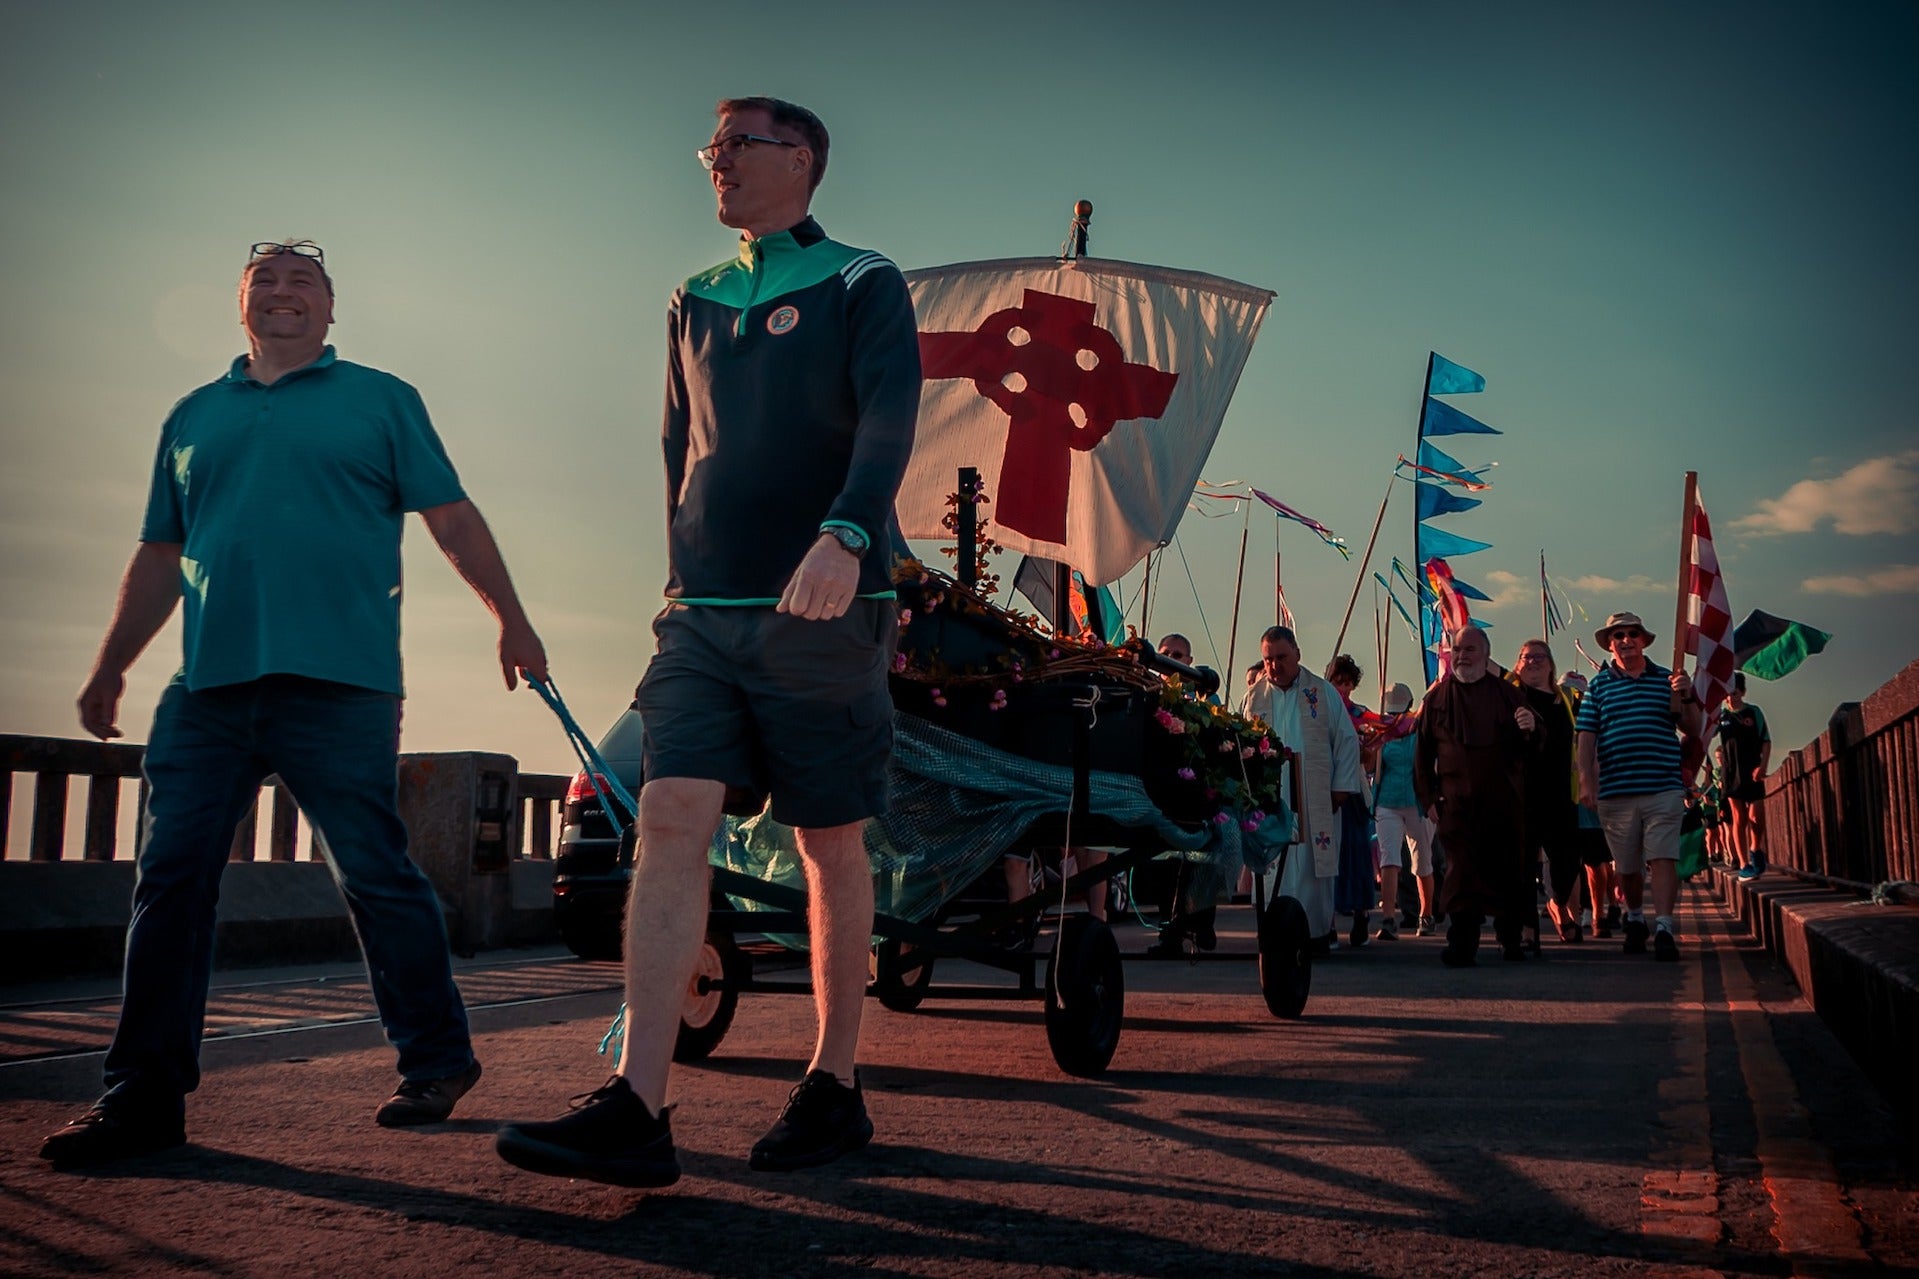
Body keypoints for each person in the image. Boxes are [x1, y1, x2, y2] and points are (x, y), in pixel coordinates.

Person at [39, 241, 548, 1169]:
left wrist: (510, 620)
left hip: (342, 683)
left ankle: (436, 1059)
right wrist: (111, 666)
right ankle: (142, 1097)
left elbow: (452, 516)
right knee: (171, 880)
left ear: (329, 309)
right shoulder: (193, 415)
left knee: (373, 873)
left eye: (301, 280)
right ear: (241, 304)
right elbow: (161, 554)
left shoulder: (381, 399)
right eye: (264, 280)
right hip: (206, 690)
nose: (282, 292)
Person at [496, 97, 920, 1188]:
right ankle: (638, 1102)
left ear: (804, 160)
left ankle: (834, 1084)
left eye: (742, 143)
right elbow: (677, 447)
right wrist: (676, 577)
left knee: (830, 844)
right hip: (700, 615)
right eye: (712, 146)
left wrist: (844, 535)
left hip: (825, 606)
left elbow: (887, 417)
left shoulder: (861, 280)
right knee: (672, 817)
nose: (718, 160)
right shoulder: (693, 294)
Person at [1575, 611, 1703, 962]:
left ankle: (1663, 927)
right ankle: (1634, 917)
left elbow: (1693, 728)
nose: (1626, 640)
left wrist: (1687, 695)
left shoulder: (1667, 680)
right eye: (1618, 635)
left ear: (1644, 640)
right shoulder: (1599, 686)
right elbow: (1586, 737)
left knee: (1663, 857)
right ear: (1611, 643)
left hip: (1662, 785)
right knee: (1626, 867)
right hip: (1616, 790)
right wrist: (1587, 780)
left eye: (1632, 633)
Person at [1414, 627, 1540, 966]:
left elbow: (1532, 745)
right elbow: (1422, 755)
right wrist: (1427, 799)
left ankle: (1511, 941)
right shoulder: (1436, 699)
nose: (1462, 655)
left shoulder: (1508, 695)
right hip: (1455, 806)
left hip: (1503, 804)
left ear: (1485, 655)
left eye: (1470, 649)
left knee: (1506, 874)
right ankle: (1462, 945)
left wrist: (1530, 728)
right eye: (1457, 649)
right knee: (1459, 876)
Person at [1238, 626, 1363, 956]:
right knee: (1272, 867)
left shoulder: (1321, 693)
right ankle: (1274, 940)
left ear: (1297, 655)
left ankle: (1315, 935)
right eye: (1268, 659)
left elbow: (1347, 742)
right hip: (1270, 797)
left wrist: (1341, 788)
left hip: (1313, 797)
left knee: (1311, 868)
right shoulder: (1254, 697)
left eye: (1281, 657)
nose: (1274, 665)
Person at [1511, 640, 1584, 946]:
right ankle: (1528, 927)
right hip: (1522, 792)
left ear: (1551, 664)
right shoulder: (1509, 697)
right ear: (1517, 665)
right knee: (1524, 863)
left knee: (1567, 861)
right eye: (1526, 657)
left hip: (1561, 793)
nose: (1532, 662)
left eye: (1539, 657)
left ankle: (1558, 902)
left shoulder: (1568, 699)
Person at [1325, 654, 1378, 948]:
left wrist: (1364, 747)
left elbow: (1369, 763)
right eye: (1338, 682)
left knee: (1357, 859)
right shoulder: (1321, 711)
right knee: (1329, 859)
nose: (1343, 688)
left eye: (1347, 683)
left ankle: (1361, 916)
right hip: (1329, 792)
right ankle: (1328, 923)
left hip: (1354, 794)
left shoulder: (1361, 714)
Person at [1368, 683, 1426, 940]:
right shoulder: (1382, 733)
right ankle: (1389, 918)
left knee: (1422, 861)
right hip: (1388, 803)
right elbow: (1371, 765)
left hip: (1416, 802)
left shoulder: (1419, 732)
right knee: (1389, 859)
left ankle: (1426, 914)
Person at [1716, 673, 1772, 880]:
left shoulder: (1753, 712)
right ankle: (1744, 863)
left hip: (1752, 769)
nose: (1730, 698)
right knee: (1738, 818)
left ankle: (1756, 848)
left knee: (1756, 816)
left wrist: (1763, 766)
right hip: (1731, 773)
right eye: (1727, 694)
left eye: (1734, 693)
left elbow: (1765, 740)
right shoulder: (1721, 717)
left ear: (1742, 692)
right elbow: (1704, 732)